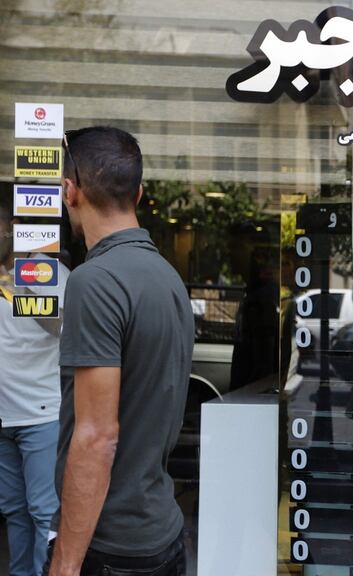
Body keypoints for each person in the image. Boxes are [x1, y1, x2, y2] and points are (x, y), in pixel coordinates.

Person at [43, 127, 194, 576]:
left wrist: (65, 566)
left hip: (111, 548)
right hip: (162, 535)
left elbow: (96, 438)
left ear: (70, 192)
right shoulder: (168, 277)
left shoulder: (96, 281)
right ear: (139, 193)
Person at [0, 203, 68, 576]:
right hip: (3, 417)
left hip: (41, 415)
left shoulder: (50, 275)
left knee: (44, 512)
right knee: (14, 512)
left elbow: (62, 328)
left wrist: (24, 282)